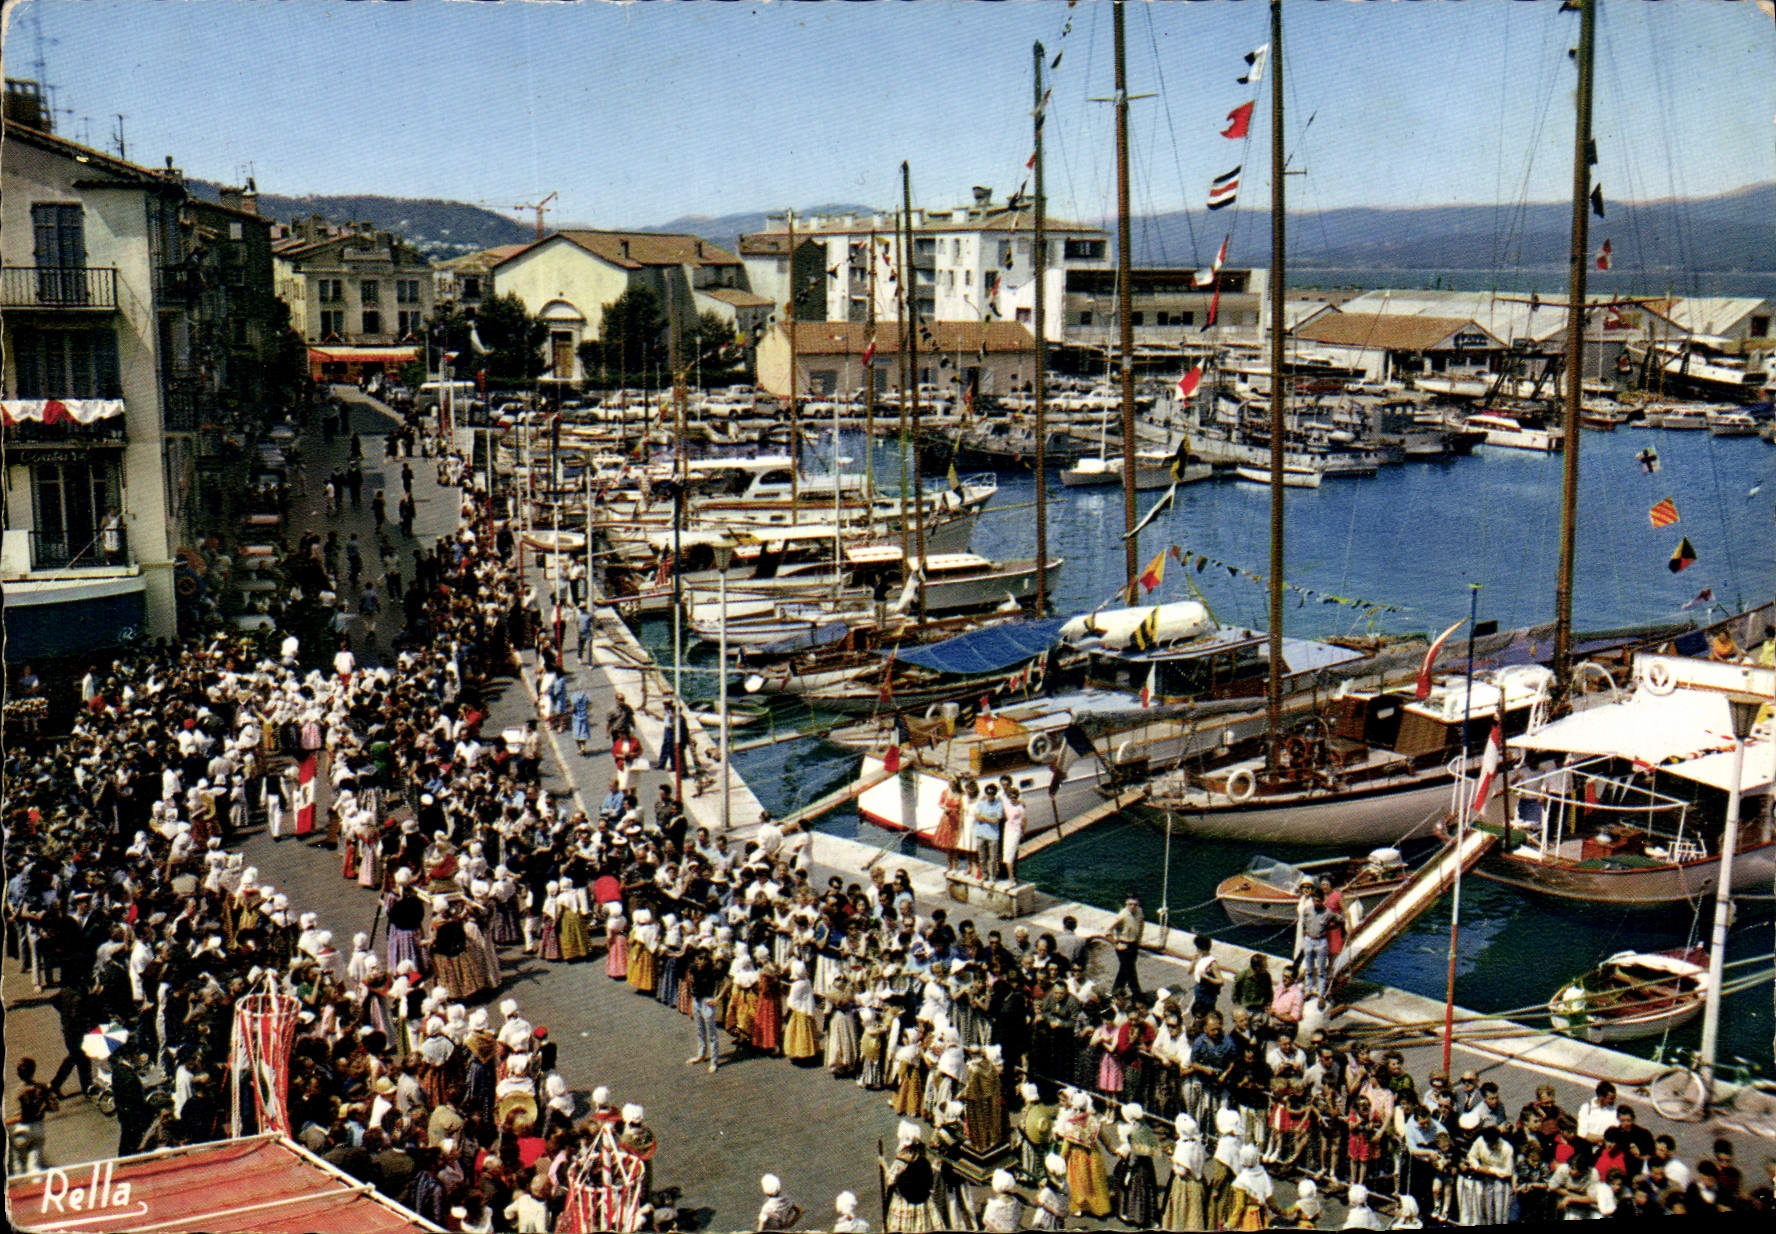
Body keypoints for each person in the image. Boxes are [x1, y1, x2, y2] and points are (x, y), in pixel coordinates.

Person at [1108, 894, 1145, 998]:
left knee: (1124, 970)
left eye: (1135, 904)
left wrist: (1139, 939)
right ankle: (1137, 995)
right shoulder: (1122, 915)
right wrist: (1115, 944)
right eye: (1130, 904)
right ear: (1126, 904)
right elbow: (1107, 931)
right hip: (1123, 946)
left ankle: (1116, 991)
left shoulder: (1140, 912)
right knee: (1131, 972)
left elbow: (1141, 924)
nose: (1132, 907)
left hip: (1133, 945)